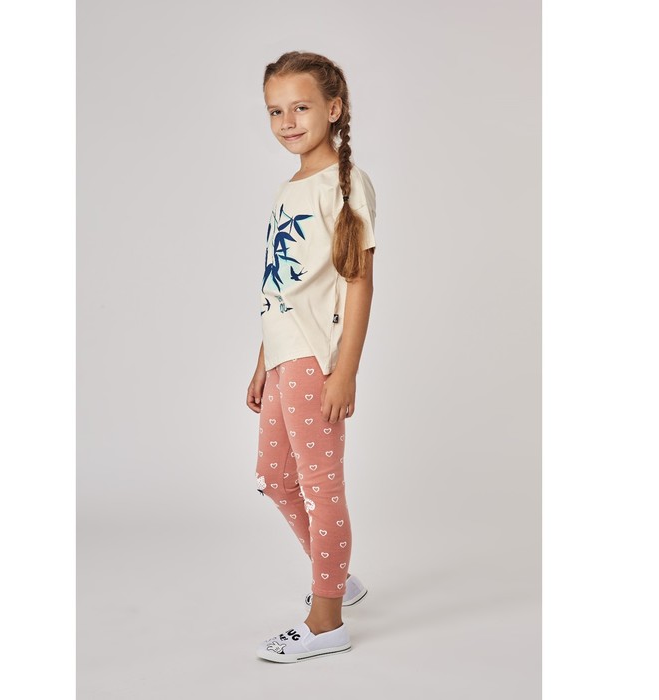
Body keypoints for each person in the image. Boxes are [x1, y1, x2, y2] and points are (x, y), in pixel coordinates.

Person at [246, 51, 377, 663]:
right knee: (275, 477)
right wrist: (262, 361)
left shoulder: (344, 186)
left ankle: (326, 621)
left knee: (321, 485)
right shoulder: (288, 188)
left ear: (334, 108)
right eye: (276, 111)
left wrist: (344, 371)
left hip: (314, 360)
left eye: (300, 107)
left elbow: (358, 282)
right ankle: (338, 577)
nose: (288, 121)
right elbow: (283, 288)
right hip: (282, 356)